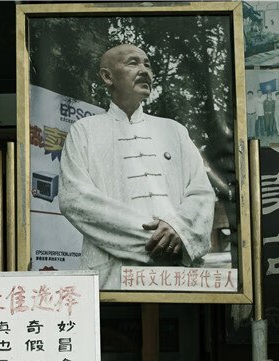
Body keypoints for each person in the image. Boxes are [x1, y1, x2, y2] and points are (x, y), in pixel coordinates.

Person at [58, 43, 216, 290]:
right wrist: (158, 241)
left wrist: (179, 229)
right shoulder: (85, 131)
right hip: (112, 276)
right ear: (107, 76)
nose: (144, 70)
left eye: (148, 64)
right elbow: (75, 199)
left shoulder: (174, 131)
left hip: (175, 276)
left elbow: (201, 193)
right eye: (133, 63)